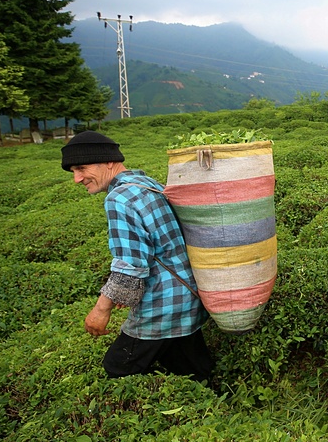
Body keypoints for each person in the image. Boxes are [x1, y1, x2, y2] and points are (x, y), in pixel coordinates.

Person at [61, 131, 214, 383]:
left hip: (162, 304)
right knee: (192, 368)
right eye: (73, 172)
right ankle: (215, 407)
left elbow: (130, 266)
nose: (77, 179)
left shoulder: (118, 199)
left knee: (117, 368)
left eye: (81, 168)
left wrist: (101, 310)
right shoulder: (146, 183)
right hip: (188, 295)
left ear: (108, 161)